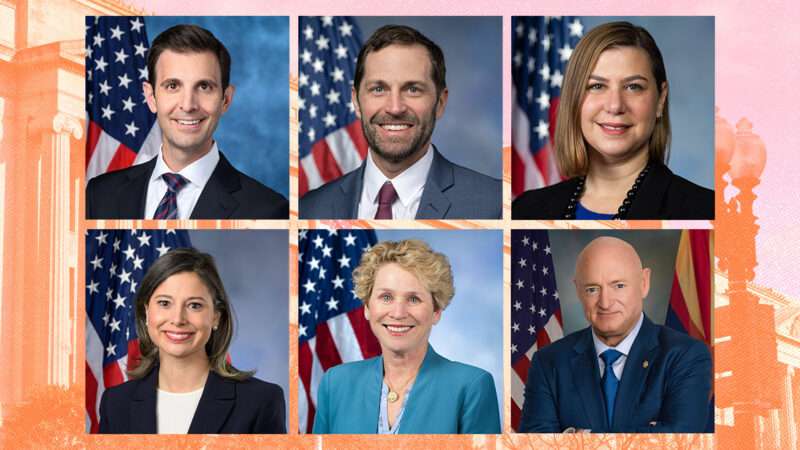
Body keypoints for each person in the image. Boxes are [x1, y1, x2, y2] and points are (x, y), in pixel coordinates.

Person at [512, 22, 713, 220]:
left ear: (660, 99)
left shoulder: (706, 209)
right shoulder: (525, 210)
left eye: (633, 87)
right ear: (574, 98)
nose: (615, 106)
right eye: (597, 86)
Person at [86, 24, 288, 220]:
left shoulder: (267, 209)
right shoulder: (100, 194)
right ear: (151, 97)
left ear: (225, 100)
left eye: (204, 87)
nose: (188, 105)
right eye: (173, 86)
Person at [300, 25, 501, 220]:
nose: (395, 108)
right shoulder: (310, 208)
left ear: (440, 102)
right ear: (356, 101)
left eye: (413, 89)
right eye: (378, 89)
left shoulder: (494, 204)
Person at [518, 236, 711, 433]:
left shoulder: (686, 356)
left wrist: (579, 437)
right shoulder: (549, 362)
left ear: (644, 283)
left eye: (618, 286)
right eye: (592, 289)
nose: (605, 303)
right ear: (577, 290)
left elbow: (681, 442)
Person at [313, 240, 500, 434]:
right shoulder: (335, 383)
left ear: (436, 311)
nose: (398, 313)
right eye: (386, 297)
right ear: (367, 307)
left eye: (413, 299)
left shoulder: (471, 387)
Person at [99, 248, 286, 434]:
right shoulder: (115, 403)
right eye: (164, 303)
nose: (178, 319)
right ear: (147, 313)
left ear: (216, 317)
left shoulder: (260, 401)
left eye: (194, 305)